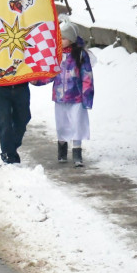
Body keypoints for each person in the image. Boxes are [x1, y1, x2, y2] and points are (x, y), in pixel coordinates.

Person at [35, 21, 94, 167]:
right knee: (62, 125)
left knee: (77, 124)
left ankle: (77, 153)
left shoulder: (80, 55)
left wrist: (87, 97)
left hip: (77, 97)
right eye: (59, 38)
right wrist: (36, 80)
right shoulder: (57, 55)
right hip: (60, 97)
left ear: (72, 39)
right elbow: (50, 74)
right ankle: (62, 151)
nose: (60, 41)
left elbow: (87, 77)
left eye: (64, 38)